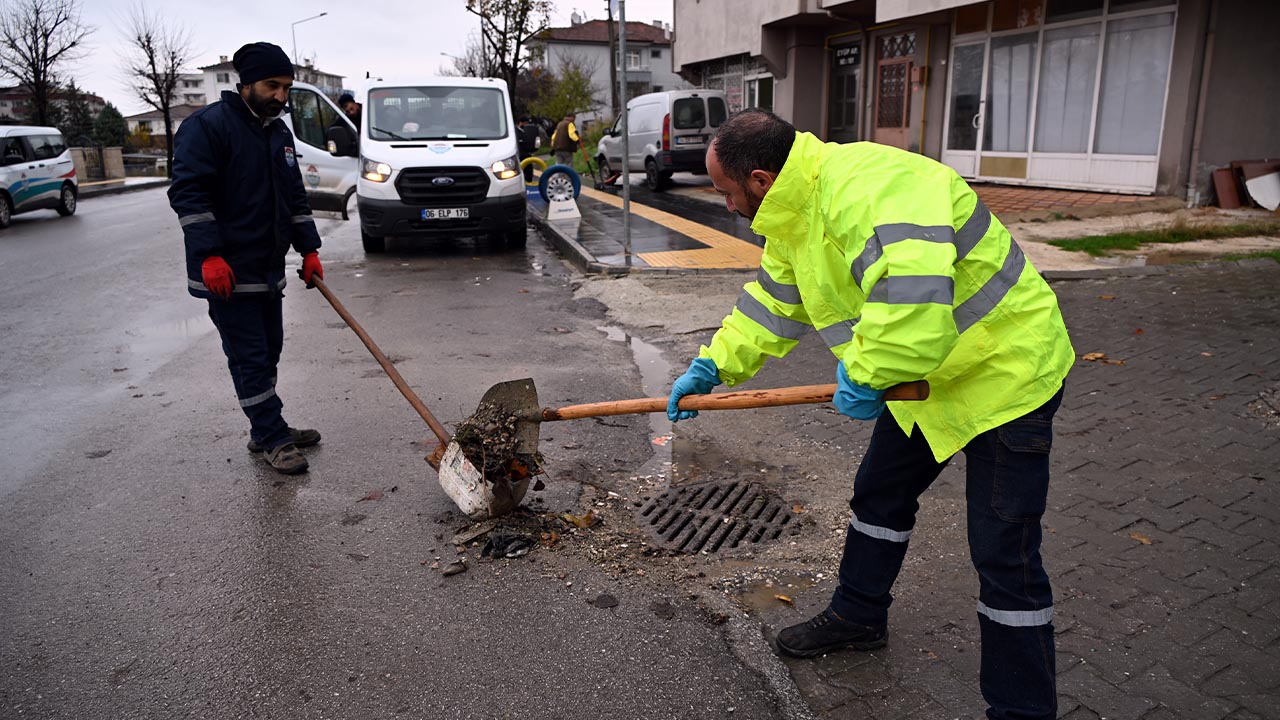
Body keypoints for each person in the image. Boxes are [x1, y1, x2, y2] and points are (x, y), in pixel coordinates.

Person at [666, 109, 1074, 720]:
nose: (725, 207)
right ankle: (858, 615)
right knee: (879, 496)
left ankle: (1023, 710)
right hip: (925, 382)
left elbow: (910, 305)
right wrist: (713, 366)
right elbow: (772, 307)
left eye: (726, 193)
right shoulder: (793, 214)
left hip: (1005, 380)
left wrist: (865, 372)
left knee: (1003, 553)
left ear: (758, 178)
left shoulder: (870, 188)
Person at [168, 41, 325, 476]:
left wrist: (309, 248)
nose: (281, 96)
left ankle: (265, 425)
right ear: (246, 83)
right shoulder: (207, 128)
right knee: (250, 356)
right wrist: (210, 255)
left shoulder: (278, 132)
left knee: (269, 350)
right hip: (226, 272)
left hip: (266, 269)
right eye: (272, 85)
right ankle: (273, 437)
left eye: (287, 87)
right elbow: (188, 194)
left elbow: (293, 196)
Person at [517, 115, 540, 183]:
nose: (527, 125)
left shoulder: (528, 131)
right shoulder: (515, 132)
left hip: (527, 154)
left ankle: (529, 182)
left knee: (529, 171)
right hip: (519, 155)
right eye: (526, 123)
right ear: (521, 123)